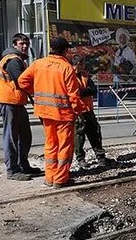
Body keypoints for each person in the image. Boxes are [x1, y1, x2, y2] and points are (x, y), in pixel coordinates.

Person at [18, 37, 86, 188]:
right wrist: (79, 111)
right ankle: (60, 179)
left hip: (45, 112)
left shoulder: (38, 64)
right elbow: (73, 95)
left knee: (50, 144)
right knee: (64, 147)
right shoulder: (66, 67)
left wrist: (36, 92)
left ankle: (50, 178)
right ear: (65, 50)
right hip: (63, 114)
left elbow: (22, 81)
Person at [0, 33, 39, 181]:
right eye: (21, 44)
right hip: (8, 101)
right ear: (14, 45)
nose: (24, 46)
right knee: (11, 136)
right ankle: (12, 170)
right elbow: (22, 82)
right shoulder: (13, 61)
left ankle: (22, 165)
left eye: (26, 43)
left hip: (16, 102)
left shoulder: (17, 60)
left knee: (24, 135)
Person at [72, 55, 107, 169]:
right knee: (79, 135)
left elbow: (93, 90)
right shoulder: (70, 75)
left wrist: (84, 91)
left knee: (95, 133)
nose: (84, 66)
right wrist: (85, 91)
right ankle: (80, 158)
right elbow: (75, 92)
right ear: (78, 64)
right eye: (82, 63)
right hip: (77, 110)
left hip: (88, 109)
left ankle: (100, 156)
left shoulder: (85, 75)